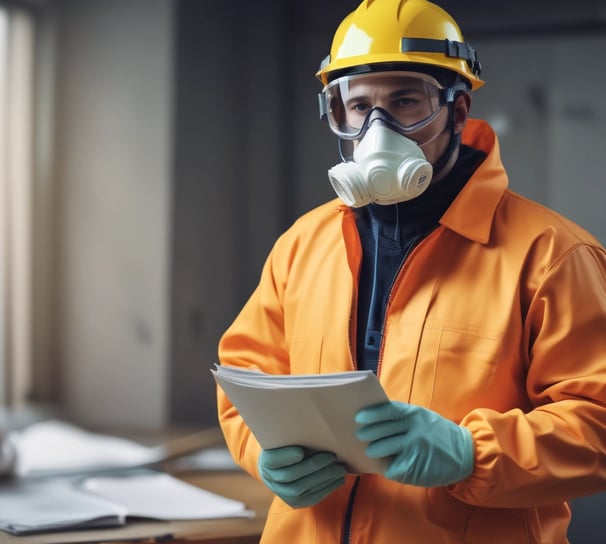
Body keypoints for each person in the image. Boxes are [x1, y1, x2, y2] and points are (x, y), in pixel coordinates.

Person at [216, 0, 606, 542]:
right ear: (337, 113)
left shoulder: (550, 255)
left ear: (457, 108)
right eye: (357, 107)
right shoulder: (302, 244)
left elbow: (597, 421)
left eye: (405, 102)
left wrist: (472, 454)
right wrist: (263, 452)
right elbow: (246, 377)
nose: (378, 128)